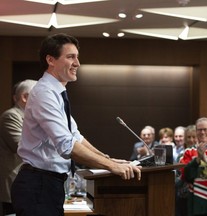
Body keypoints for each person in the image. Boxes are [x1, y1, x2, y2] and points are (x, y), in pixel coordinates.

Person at [10, 33, 141, 216]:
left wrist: (108, 159)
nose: (77, 63)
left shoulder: (56, 92)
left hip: (47, 185)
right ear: (50, 60)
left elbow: (75, 136)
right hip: (38, 185)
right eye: (71, 57)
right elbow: (67, 146)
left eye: (77, 57)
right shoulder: (44, 93)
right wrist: (111, 166)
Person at [0, 79, 37, 216]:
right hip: (15, 184)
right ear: (25, 97)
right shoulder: (11, 116)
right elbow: (23, 148)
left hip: (29, 186)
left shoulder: (31, 117)